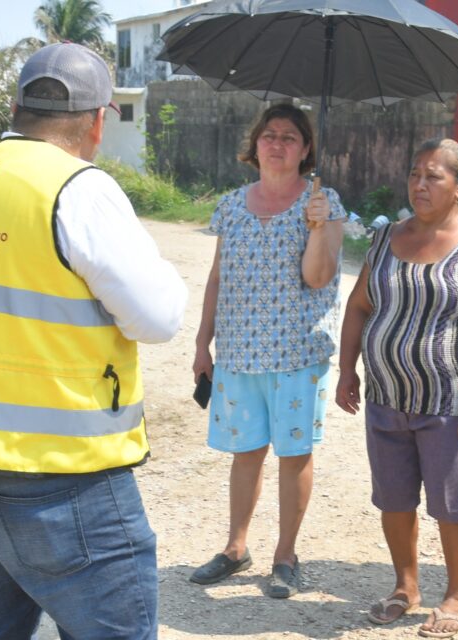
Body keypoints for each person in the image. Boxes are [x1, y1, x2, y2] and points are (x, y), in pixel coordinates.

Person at [0, 43, 186, 639]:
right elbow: (159, 318)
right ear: (98, 121)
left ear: (15, 109)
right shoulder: (78, 188)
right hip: (64, 476)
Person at [335, 139, 458, 638]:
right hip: (385, 397)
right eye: (414, 174)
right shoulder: (386, 237)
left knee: (453, 503)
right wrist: (347, 369)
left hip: (449, 402)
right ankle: (405, 587)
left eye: (433, 176)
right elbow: (359, 305)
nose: (420, 184)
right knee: (394, 498)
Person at [189, 103, 345, 599]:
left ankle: (285, 555)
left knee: (293, 454)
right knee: (246, 452)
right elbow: (217, 276)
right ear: (255, 145)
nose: (277, 144)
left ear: (305, 150)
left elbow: (318, 277)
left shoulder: (324, 203)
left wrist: (317, 227)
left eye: (290, 137)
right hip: (238, 352)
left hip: (297, 353)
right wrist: (202, 342)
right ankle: (235, 547)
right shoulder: (232, 205)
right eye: (269, 135)